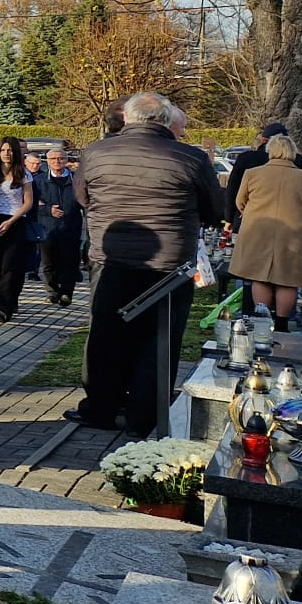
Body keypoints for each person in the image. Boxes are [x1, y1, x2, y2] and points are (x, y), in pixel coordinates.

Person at [68, 91, 223, 436]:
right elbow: (215, 209)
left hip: (111, 260)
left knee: (106, 336)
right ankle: (144, 415)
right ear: (166, 121)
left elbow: (82, 198)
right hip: (169, 265)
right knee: (160, 339)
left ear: (127, 118)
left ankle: (100, 409)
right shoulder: (192, 158)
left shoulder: (95, 152)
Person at [231, 135, 302, 332]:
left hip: (258, 231)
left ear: (269, 150)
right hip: (293, 234)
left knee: (259, 276)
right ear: (293, 152)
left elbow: (240, 202)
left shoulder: (252, 174)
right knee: (288, 280)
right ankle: (281, 324)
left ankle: (262, 321)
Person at [0, 137, 35, 323]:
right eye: (3, 150)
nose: (6, 153)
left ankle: (4, 306)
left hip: (15, 221)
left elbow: (28, 202)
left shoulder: (24, 174)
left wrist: (11, 221)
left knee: (10, 266)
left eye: (10, 150)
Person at [33, 147, 83, 306]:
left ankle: (67, 292)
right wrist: (48, 209)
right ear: (47, 162)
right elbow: (31, 203)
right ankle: (53, 291)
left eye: (60, 158)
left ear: (66, 160)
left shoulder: (77, 180)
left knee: (70, 262)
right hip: (47, 228)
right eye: (53, 159)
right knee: (49, 263)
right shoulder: (39, 181)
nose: (57, 161)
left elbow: (85, 201)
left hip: (71, 228)